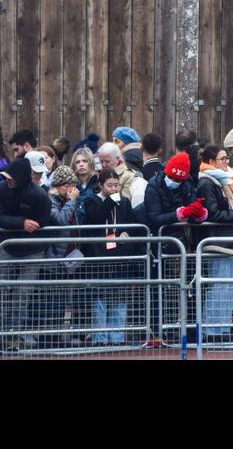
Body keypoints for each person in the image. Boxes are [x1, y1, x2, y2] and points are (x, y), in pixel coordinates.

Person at [0, 157, 54, 351]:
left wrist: (30, 224)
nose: (8, 181)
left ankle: (13, 335)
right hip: (6, 247)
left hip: (32, 249)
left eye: (12, 178)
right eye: (6, 177)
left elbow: (43, 221)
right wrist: (21, 222)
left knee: (21, 293)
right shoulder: (1, 189)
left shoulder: (40, 196)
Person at [194, 146, 233, 344]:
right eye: (222, 159)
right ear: (210, 161)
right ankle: (213, 330)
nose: (226, 162)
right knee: (219, 286)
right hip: (216, 241)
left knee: (227, 287)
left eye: (227, 158)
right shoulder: (207, 183)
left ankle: (221, 328)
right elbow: (212, 213)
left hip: (226, 239)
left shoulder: (223, 181)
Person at [81, 167, 142, 344]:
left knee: (119, 297)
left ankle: (117, 337)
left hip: (120, 255)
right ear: (100, 185)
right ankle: (100, 337)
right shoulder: (91, 200)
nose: (114, 189)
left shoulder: (124, 202)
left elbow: (133, 223)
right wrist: (109, 201)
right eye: (109, 185)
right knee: (100, 298)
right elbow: (95, 219)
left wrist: (126, 234)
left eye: (116, 185)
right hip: (99, 256)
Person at [98, 142, 146, 208]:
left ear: (117, 159)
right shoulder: (98, 174)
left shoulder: (128, 176)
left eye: (107, 161)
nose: (103, 165)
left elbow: (124, 204)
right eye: (101, 161)